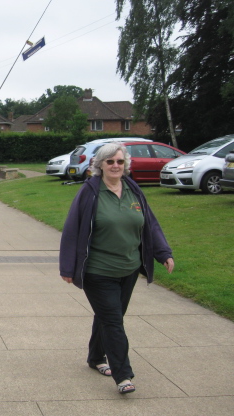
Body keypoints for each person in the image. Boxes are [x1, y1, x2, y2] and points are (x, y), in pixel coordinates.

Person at [59, 142, 174, 394]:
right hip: (98, 271)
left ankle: (95, 357)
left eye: (120, 162)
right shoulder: (90, 192)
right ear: (99, 164)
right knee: (113, 321)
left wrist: (162, 252)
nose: (115, 165)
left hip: (129, 269)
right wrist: (68, 266)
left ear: (126, 165)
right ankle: (123, 375)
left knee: (110, 316)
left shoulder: (133, 189)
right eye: (109, 161)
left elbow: (149, 223)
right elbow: (72, 229)